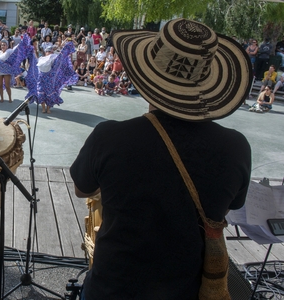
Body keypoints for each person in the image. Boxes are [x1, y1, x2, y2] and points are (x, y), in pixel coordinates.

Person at [70, 19, 252, 299]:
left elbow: (82, 188)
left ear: (147, 74)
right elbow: (229, 206)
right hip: (187, 291)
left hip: (112, 288)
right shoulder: (237, 147)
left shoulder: (110, 137)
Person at [0, 35, 35, 103]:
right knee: (0, 85)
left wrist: (22, 43)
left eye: (4, 45)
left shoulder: (9, 51)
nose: (3, 46)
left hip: (7, 71)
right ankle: (1, 98)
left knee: (7, 86)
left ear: (7, 46)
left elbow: (16, 51)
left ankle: (10, 98)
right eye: (2, 45)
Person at [27, 43, 78, 113]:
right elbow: (35, 63)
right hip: (41, 79)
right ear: (46, 52)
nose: (50, 52)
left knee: (49, 93)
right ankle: (43, 108)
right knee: (40, 93)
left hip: (49, 79)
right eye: (49, 51)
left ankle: (48, 108)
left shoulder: (53, 57)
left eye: (51, 51)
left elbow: (60, 58)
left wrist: (64, 50)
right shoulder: (41, 58)